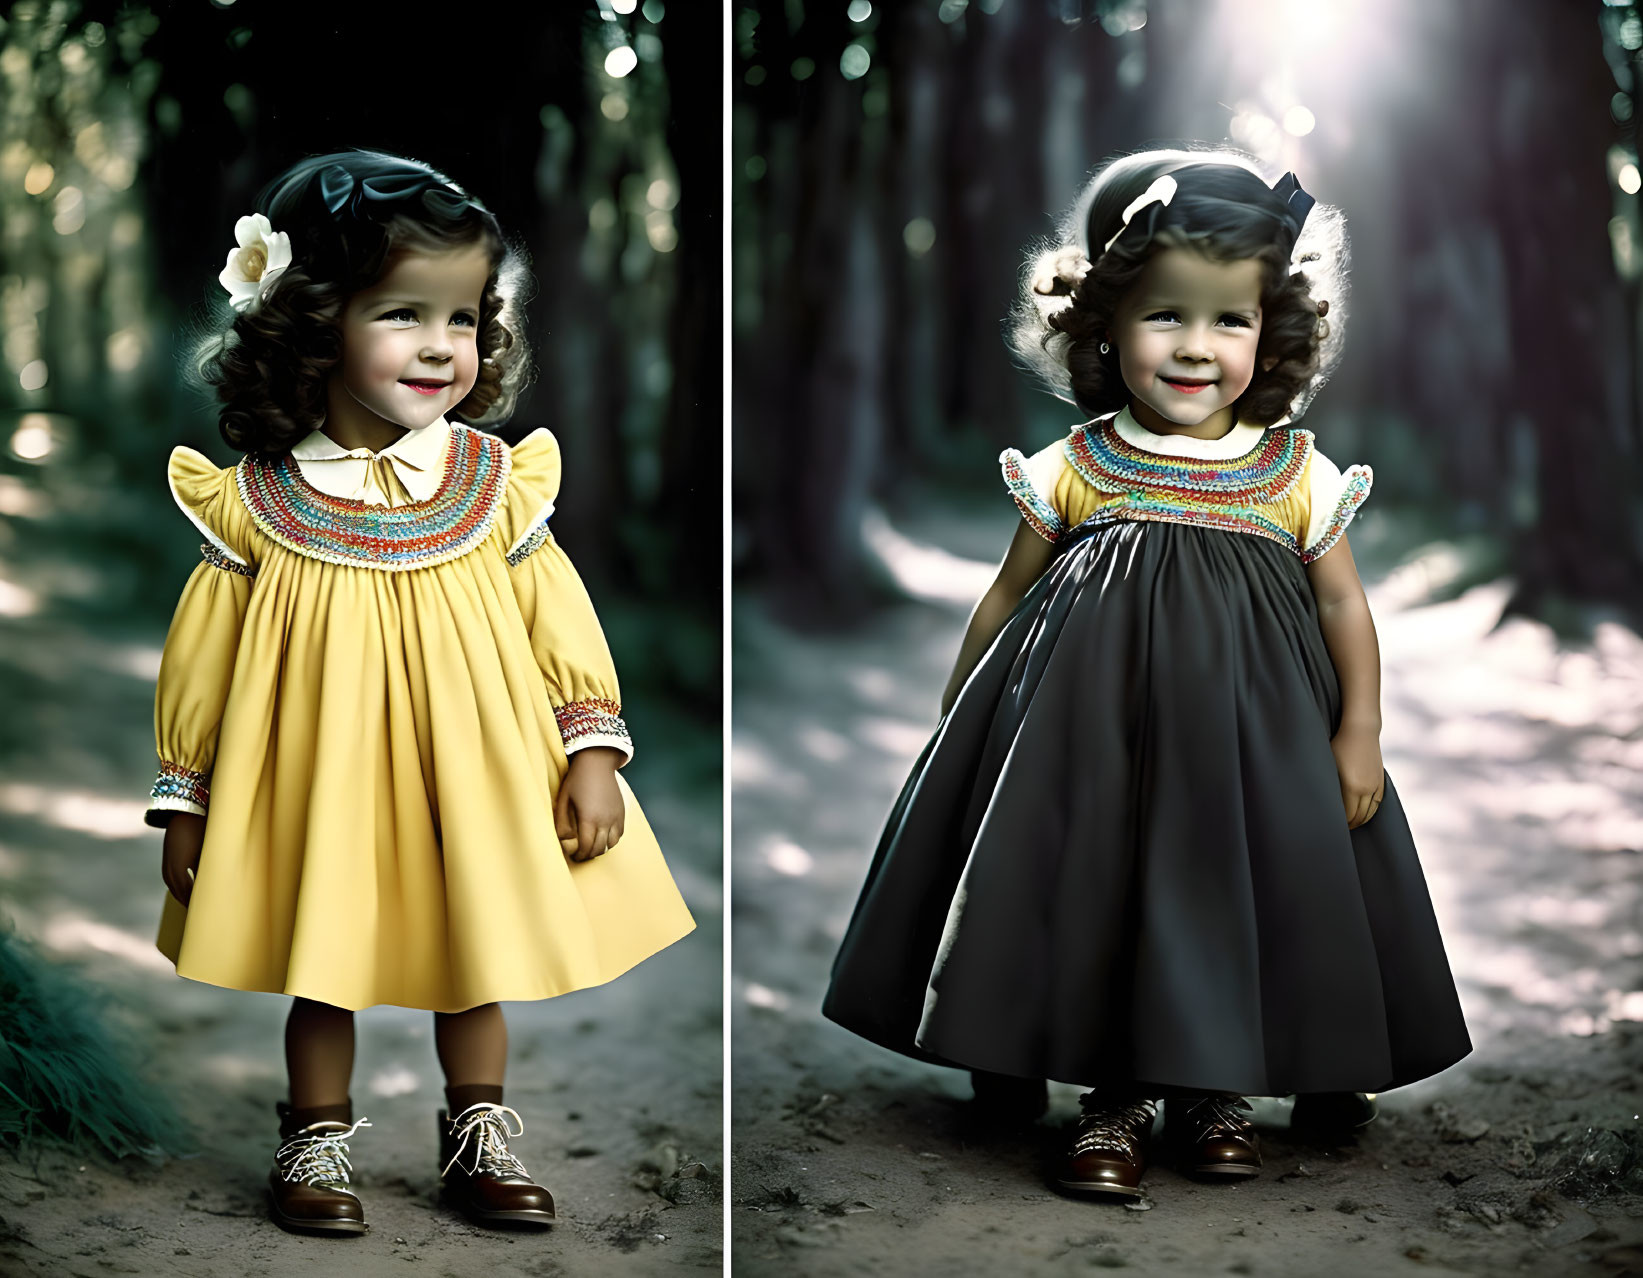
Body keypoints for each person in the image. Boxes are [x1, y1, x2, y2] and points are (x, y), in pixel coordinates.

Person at [821, 147, 1471, 1201]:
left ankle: (1216, 1086)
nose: (1195, 347)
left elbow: (1341, 603)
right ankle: (1113, 1094)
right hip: (1095, 740)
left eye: (1229, 320)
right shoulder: (1078, 464)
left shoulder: (1288, 473)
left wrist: (1359, 729)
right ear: (1106, 324)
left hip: (1250, 745)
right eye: (1164, 316)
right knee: (1100, 890)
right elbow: (1006, 591)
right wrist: (964, 709)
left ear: (1270, 333)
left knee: (1240, 886)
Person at [146, 149, 696, 1235]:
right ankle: (313, 1138)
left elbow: (556, 620)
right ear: (312, 322)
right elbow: (201, 654)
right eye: (401, 314)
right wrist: (186, 794)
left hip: (472, 766)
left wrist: (589, 749)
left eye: (460, 317)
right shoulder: (259, 501)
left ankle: (476, 1134)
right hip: (320, 769)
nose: (439, 345)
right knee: (324, 960)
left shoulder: (492, 486)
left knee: (472, 954)